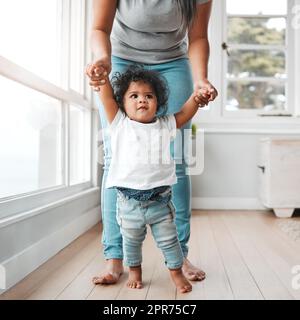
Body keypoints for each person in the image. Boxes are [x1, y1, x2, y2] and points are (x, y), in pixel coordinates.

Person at [86, 0, 218, 285]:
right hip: (120, 59)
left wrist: (201, 80)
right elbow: (99, 27)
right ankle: (115, 257)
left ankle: (179, 255)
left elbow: (197, 37)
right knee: (115, 158)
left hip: (173, 63)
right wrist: (102, 59)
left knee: (178, 159)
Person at [95, 64, 209, 292]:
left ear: (158, 102)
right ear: (123, 103)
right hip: (128, 204)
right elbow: (106, 98)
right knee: (131, 243)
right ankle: (135, 271)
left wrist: (197, 98)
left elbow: (185, 113)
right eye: (134, 96)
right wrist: (102, 78)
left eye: (149, 96)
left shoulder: (164, 124)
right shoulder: (119, 124)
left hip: (160, 202)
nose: (142, 101)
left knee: (170, 242)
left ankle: (176, 273)